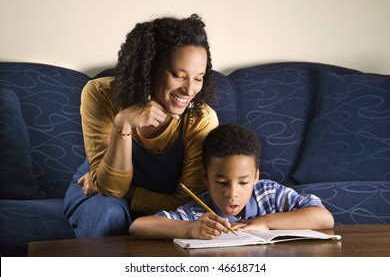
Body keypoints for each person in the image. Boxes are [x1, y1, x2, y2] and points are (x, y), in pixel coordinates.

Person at [63, 14, 218, 237]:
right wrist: (123, 123)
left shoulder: (201, 119)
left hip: (157, 208)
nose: (190, 90)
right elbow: (110, 190)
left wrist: (128, 193)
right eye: (179, 76)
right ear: (149, 69)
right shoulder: (100, 95)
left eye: (199, 78)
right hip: (96, 195)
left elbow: (186, 204)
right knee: (110, 212)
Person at [129, 124, 334, 240]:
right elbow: (138, 226)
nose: (232, 193)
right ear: (206, 179)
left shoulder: (269, 195)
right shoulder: (200, 213)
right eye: (221, 182)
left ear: (255, 177)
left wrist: (264, 222)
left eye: (243, 182)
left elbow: (324, 219)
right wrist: (190, 229)